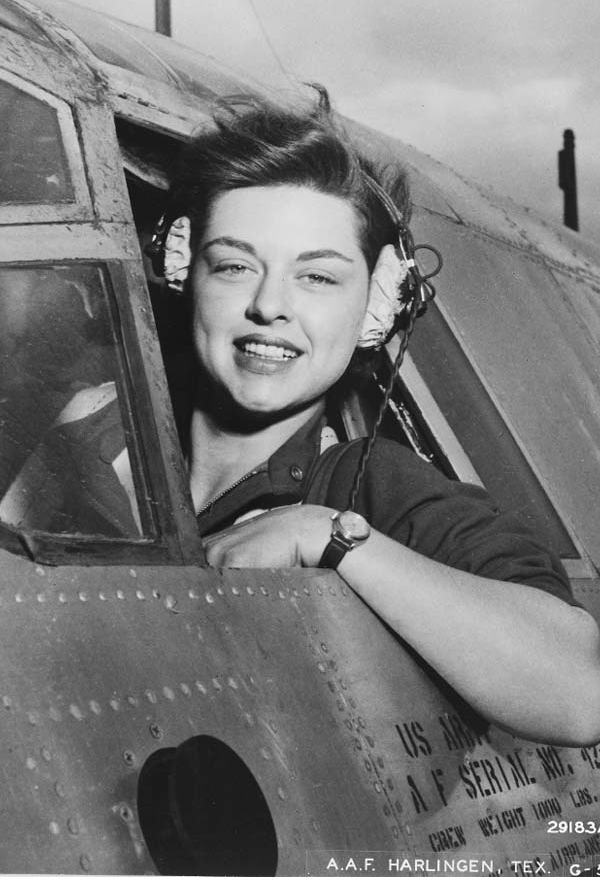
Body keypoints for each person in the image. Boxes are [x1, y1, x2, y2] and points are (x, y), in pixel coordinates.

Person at [148, 90, 600, 748]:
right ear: (185, 268)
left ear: (378, 305)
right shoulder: (77, 446)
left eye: (319, 278)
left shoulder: (366, 482)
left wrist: (323, 532)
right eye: (236, 265)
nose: (270, 304)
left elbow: (578, 690)